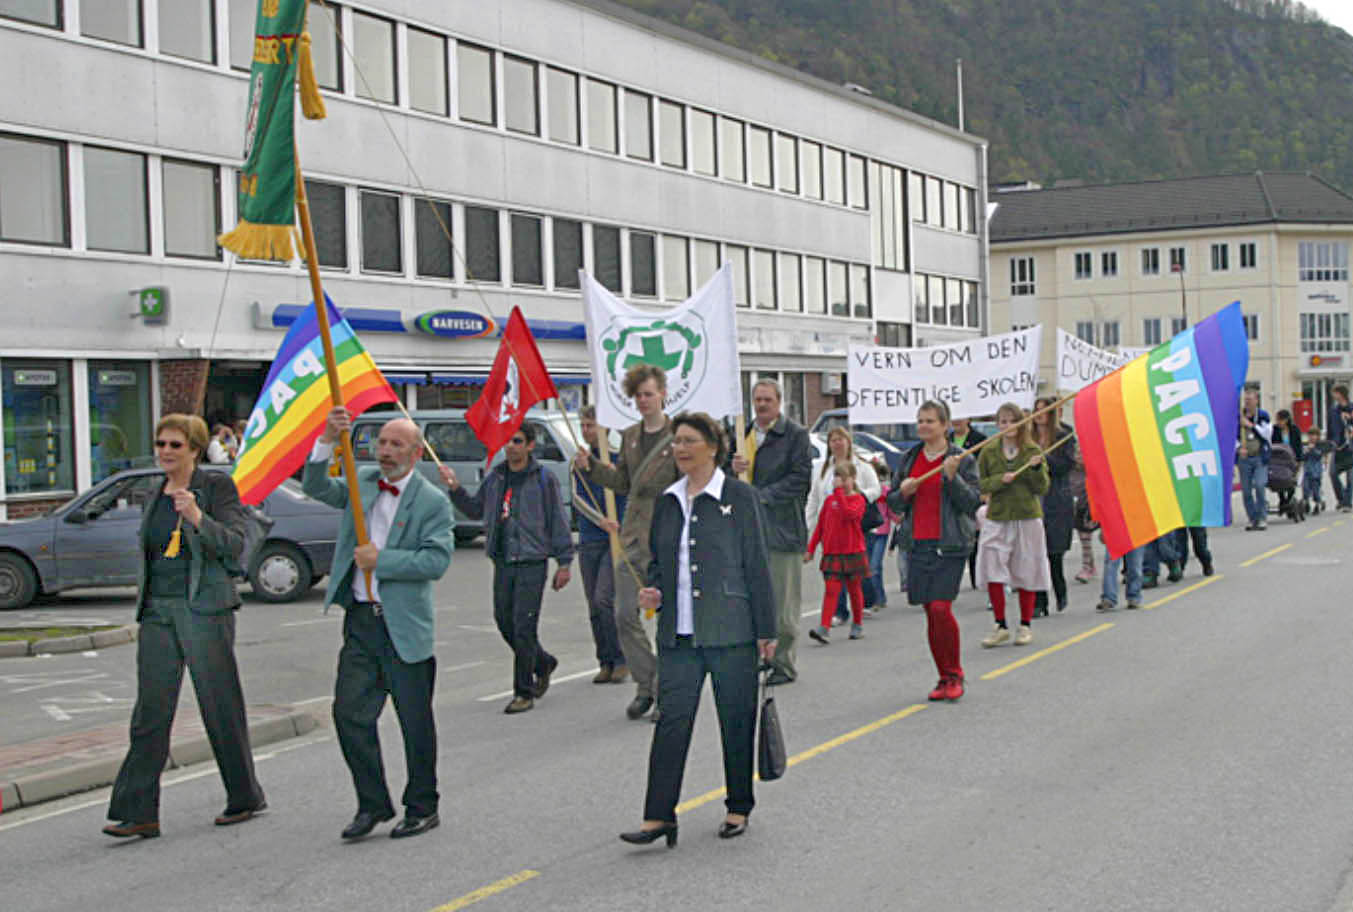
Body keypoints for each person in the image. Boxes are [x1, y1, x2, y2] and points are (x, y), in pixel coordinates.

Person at [619, 412, 776, 848]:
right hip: (679, 636)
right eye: (676, 442)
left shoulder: (739, 497)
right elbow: (659, 563)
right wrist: (654, 591)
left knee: (735, 721)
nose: (680, 449)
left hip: (731, 631)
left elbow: (757, 565)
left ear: (713, 446)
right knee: (671, 722)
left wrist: (766, 630)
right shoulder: (668, 501)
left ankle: (738, 806)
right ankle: (658, 816)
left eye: (689, 441)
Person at [105, 414, 265, 840]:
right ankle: (139, 811)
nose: (165, 452)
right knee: (150, 711)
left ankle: (244, 795)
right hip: (157, 610)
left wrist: (196, 515)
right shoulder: (153, 492)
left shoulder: (216, 488)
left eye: (175, 445)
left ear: (195, 449)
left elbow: (233, 544)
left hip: (204, 608)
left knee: (219, 704)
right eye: (161, 444)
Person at [304, 408, 454, 841]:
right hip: (361, 621)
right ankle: (371, 803)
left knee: (414, 722)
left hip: (403, 626)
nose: (385, 451)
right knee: (349, 713)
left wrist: (381, 561)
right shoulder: (362, 481)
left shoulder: (431, 501)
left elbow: (436, 560)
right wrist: (327, 439)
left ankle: (423, 806)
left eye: (395, 445)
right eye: (381, 442)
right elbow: (315, 486)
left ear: (415, 453)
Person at [443, 423, 573, 713]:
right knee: (505, 621)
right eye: (508, 441)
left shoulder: (543, 479)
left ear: (530, 446)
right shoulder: (497, 477)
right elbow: (476, 509)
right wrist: (454, 488)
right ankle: (543, 662)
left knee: (524, 626)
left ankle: (523, 692)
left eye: (517, 441)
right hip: (503, 559)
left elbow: (558, 520)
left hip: (531, 560)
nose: (510, 447)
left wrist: (564, 562)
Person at [575, 364, 679, 721]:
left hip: (667, 534)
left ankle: (667, 690)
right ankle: (646, 683)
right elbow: (622, 482)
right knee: (622, 614)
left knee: (668, 617)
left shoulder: (678, 436)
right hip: (634, 535)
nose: (643, 400)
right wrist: (591, 467)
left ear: (662, 394)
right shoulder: (631, 436)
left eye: (649, 394)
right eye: (638, 395)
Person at [889, 399, 981, 701]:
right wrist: (903, 493)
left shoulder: (961, 458)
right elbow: (893, 502)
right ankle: (943, 676)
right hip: (918, 543)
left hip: (949, 543)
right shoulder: (909, 458)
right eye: (920, 421)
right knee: (930, 611)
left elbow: (971, 502)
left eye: (930, 421)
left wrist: (952, 478)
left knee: (941, 607)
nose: (923, 426)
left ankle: (954, 674)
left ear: (945, 425)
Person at [729, 379, 813, 685]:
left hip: (782, 530)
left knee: (783, 607)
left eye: (768, 399)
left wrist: (761, 497)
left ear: (779, 402)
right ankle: (757, 658)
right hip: (746, 530)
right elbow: (722, 478)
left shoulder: (795, 435)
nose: (762, 405)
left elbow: (800, 478)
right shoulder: (741, 436)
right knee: (749, 601)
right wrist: (731, 468)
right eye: (758, 399)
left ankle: (783, 663)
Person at [976, 402, 1051, 648]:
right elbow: (982, 484)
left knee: (1027, 569)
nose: (1008, 426)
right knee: (993, 567)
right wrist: (1000, 480)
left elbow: (1042, 487)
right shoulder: (988, 451)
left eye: (1012, 421)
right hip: (998, 516)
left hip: (1026, 515)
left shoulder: (1032, 450)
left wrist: (1036, 469)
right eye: (1003, 421)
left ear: (1022, 422)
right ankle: (1000, 625)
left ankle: (1025, 625)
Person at [573, 406, 628, 684]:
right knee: (593, 605)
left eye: (591, 425)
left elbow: (628, 492)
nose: (586, 431)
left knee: (604, 598)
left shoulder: (617, 461)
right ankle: (604, 660)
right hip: (590, 538)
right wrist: (599, 520)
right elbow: (577, 499)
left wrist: (618, 524)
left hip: (614, 539)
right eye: (583, 425)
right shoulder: (578, 463)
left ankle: (621, 658)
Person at [806, 426, 880, 626]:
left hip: (857, 527)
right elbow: (814, 498)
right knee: (834, 575)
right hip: (832, 529)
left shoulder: (862, 466)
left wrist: (858, 496)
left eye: (841, 439)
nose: (837, 444)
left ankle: (866, 602)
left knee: (858, 575)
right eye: (833, 440)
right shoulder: (822, 469)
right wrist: (809, 525)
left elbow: (876, 489)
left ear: (848, 442)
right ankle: (839, 612)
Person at [805, 462, 869, 643]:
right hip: (832, 553)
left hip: (853, 552)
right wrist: (811, 549)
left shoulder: (858, 500)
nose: (841, 482)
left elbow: (849, 514)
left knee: (854, 590)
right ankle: (824, 627)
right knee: (831, 591)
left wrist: (839, 493)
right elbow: (820, 527)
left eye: (845, 479)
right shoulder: (829, 501)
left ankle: (857, 624)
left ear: (853, 479)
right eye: (838, 478)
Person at [1031, 397, 1077, 616]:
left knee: (1053, 553)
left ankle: (1060, 589)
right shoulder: (1028, 437)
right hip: (1033, 498)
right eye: (1037, 410)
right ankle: (1039, 602)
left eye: (1044, 410)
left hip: (1055, 498)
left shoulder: (1064, 435)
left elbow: (1066, 465)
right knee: (1035, 554)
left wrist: (1044, 459)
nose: (1039, 414)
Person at [950, 417, 988, 588]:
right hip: (953, 493)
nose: (957, 421)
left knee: (975, 536)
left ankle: (976, 577)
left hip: (972, 491)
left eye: (961, 417)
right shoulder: (946, 440)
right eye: (954, 418)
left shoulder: (980, 440)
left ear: (969, 419)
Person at [1237, 388, 1272, 531]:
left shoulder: (1263, 416)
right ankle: (1252, 518)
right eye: (1246, 400)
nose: (1247, 403)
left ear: (1257, 400)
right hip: (1244, 458)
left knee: (1259, 485)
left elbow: (1266, 434)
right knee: (1246, 491)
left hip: (1259, 457)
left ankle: (1262, 517)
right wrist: (1238, 448)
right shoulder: (1239, 416)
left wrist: (1251, 425)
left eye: (1250, 400)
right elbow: (1232, 436)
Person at [864, 456, 895, 611]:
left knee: (875, 566)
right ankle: (877, 597)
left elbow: (891, 511)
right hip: (868, 531)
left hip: (882, 531)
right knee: (869, 566)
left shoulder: (885, 491)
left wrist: (898, 518)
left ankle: (878, 599)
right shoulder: (865, 491)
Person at [1096, 542, 1144, 612]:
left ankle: (1134, 596)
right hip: (1115, 535)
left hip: (1136, 535)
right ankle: (1109, 598)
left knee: (1135, 565)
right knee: (1110, 563)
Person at [1327, 385, 1353, 512]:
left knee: (1350, 476)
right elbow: (1330, 427)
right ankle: (1341, 498)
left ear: (1341, 394)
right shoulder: (1333, 410)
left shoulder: (1351, 408)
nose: (1333, 395)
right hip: (1337, 446)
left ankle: (1347, 503)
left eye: (1334, 393)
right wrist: (1329, 443)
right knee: (1333, 473)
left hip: (1351, 445)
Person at [1303, 425, 1333, 512]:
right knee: (1305, 488)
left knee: (1315, 489)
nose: (1312, 437)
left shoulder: (1319, 446)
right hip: (1307, 471)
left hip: (1316, 472)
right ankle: (1306, 502)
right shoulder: (1306, 445)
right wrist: (1306, 452)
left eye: (1314, 435)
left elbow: (1319, 455)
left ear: (1318, 436)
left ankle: (1318, 502)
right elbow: (1303, 457)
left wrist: (1312, 449)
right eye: (1310, 435)